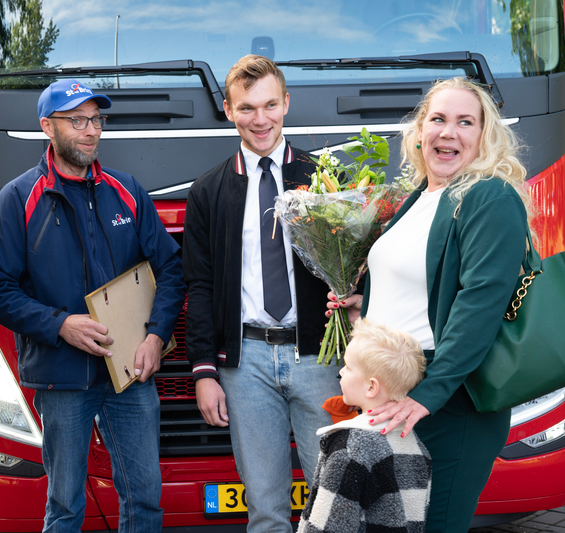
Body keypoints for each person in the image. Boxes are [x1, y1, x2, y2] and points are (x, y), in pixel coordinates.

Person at [332, 77, 533, 532]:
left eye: (466, 122)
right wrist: (363, 307)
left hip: (446, 403)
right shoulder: (418, 198)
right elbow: (425, 288)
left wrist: (427, 396)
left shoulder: (489, 196)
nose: (449, 132)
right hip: (400, 395)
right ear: (419, 131)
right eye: (438, 119)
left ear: (484, 136)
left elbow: (479, 303)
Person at [0, 79, 185, 533]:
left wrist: (155, 337)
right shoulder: (19, 198)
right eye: (77, 120)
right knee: (65, 505)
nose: (90, 130)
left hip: (130, 374)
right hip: (62, 378)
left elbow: (171, 270)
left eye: (96, 119)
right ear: (47, 127)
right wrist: (60, 325)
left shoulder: (127, 190)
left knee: (145, 500)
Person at [183, 55, 341, 532]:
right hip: (245, 364)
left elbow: (355, 272)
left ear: (286, 103)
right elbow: (200, 285)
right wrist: (204, 372)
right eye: (247, 108)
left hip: (317, 359)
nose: (261, 119)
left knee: (334, 500)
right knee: (267, 509)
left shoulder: (324, 181)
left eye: (270, 105)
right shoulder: (208, 192)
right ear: (229, 111)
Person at [298, 319, 431, 533]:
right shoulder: (417, 448)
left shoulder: (350, 447)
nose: (341, 372)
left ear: (371, 387)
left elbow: (329, 524)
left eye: (348, 367)